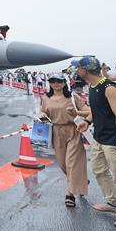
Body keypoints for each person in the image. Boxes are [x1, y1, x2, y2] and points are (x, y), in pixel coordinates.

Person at [71, 57, 116, 229]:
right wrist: (86, 122)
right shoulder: (93, 87)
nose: (75, 71)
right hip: (99, 138)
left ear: (85, 70)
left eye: (78, 68)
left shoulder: (109, 87)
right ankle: (114, 202)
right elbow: (97, 111)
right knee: (99, 170)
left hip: (114, 140)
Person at [39, 74, 88, 207]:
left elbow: (87, 110)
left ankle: (70, 194)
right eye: (53, 81)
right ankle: (79, 180)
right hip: (56, 132)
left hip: (73, 131)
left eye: (59, 81)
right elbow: (43, 112)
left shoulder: (73, 97)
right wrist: (43, 115)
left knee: (71, 162)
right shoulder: (45, 98)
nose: (56, 83)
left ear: (64, 83)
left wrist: (78, 113)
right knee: (62, 164)